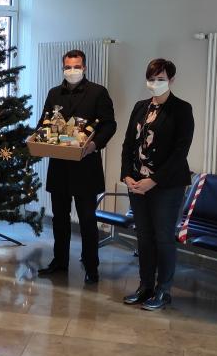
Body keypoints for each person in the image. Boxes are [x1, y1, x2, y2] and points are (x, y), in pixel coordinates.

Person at [37, 50, 117, 284]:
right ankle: (59, 261)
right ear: (62, 68)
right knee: (59, 219)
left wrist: (94, 145)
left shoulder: (98, 92)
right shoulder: (54, 93)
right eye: (68, 67)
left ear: (85, 68)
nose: (72, 71)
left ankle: (91, 266)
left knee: (87, 220)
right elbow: (44, 122)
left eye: (77, 66)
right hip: (59, 166)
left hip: (86, 166)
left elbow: (109, 125)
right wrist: (40, 138)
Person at [120, 58, 194, 311]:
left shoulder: (181, 109)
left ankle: (164, 289)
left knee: (163, 238)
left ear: (171, 80)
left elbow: (180, 152)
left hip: (166, 185)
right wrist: (126, 175)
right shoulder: (141, 107)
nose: (155, 83)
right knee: (144, 237)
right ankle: (145, 286)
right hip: (137, 183)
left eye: (160, 79)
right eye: (151, 79)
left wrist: (153, 180)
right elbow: (128, 144)